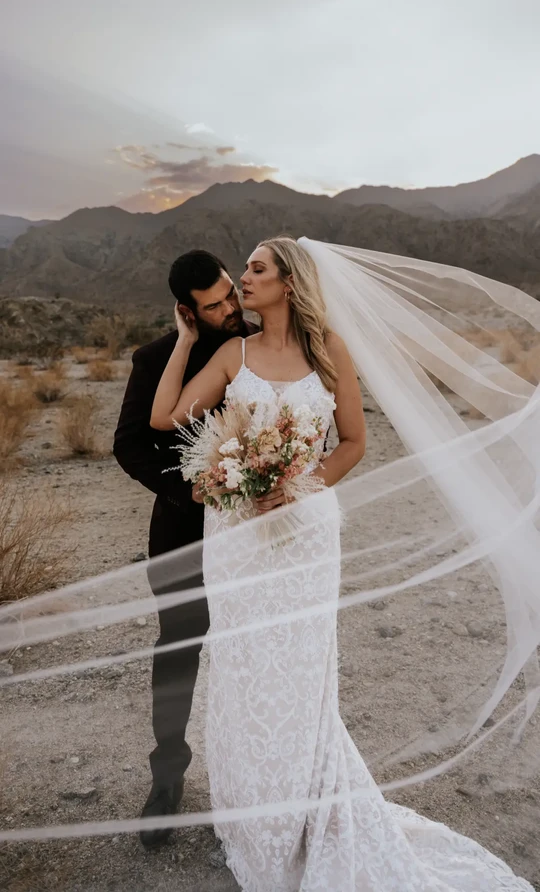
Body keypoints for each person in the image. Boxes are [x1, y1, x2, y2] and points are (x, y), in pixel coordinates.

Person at [150, 236, 534, 891]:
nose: (244, 277)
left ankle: (307, 815)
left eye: (257, 269)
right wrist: (187, 341)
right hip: (237, 540)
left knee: (299, 676)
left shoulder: (330, 350)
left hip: (304, 536)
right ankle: (254, 821)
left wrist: (296, 486)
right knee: (243, 670)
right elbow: (166, 417)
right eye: (245, 269)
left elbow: (353, 442)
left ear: (289, 283)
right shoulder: (230, 353)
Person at [113, 249, 257, 848]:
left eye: (230, 294)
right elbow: (130, 444)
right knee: (177, 655)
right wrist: (196, 492)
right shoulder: (153, 359)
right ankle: (166, 780)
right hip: (183, 536)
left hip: (256, 534)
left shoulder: (261, 345)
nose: (229, 309)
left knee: (255, 649)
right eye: (213, 305)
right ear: (186, 311)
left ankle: (254, 777)